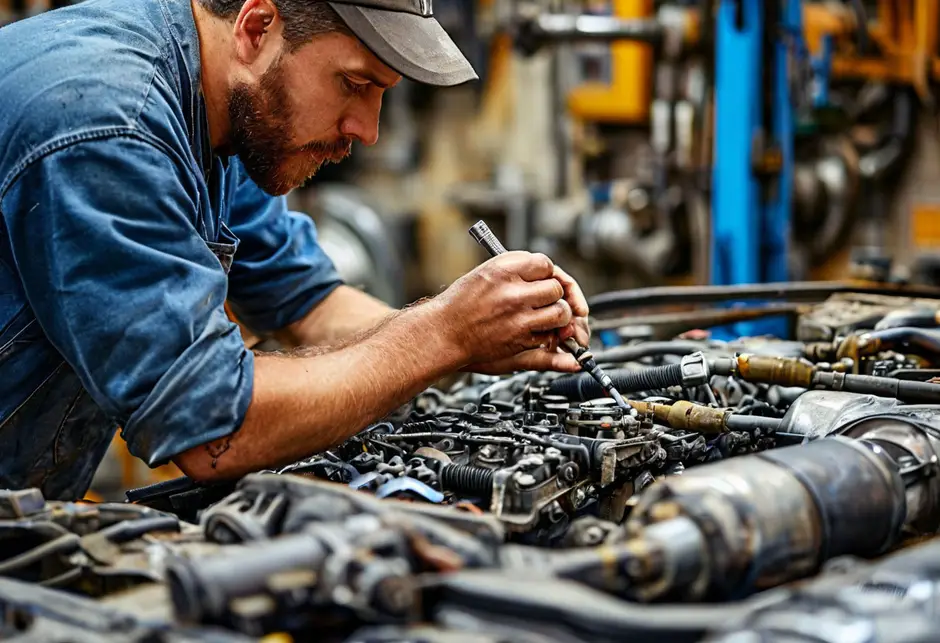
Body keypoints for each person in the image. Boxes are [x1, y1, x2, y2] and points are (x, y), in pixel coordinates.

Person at [0, 0, 590, 501]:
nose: (367, 130)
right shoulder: (111, 122)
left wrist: (481, 331)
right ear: (257, 28)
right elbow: (212, 431)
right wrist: (443, 334)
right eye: (354, 84)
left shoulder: (222, 107)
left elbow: (308, 301)